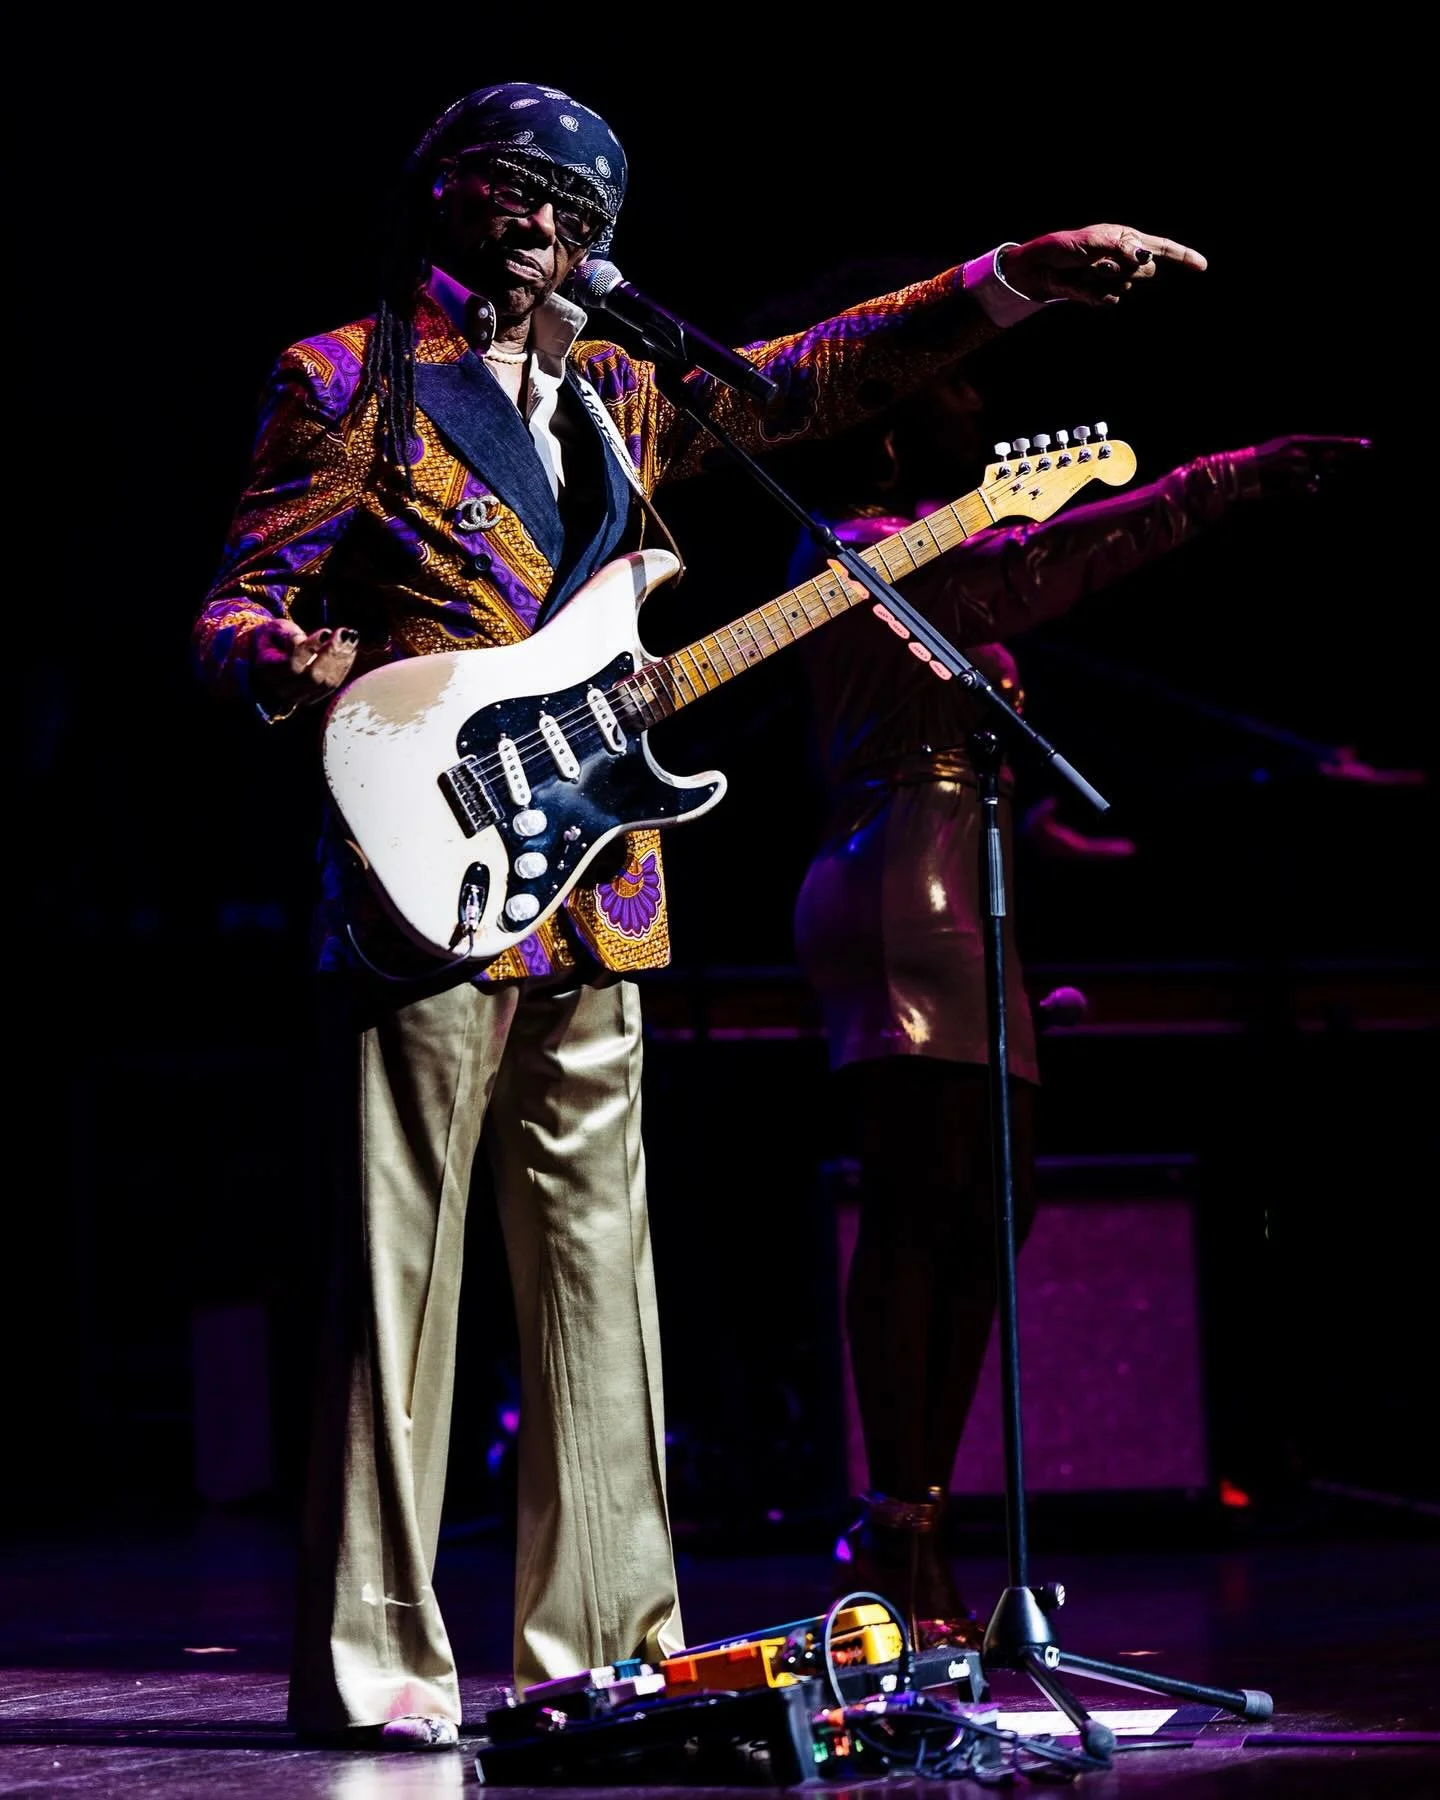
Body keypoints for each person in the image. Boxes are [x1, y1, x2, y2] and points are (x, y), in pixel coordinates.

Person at [190, 76, 1223, 1749]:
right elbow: (238, 598)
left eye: (577, 204)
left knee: (606, 1286)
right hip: (421, 870)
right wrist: (290, 663)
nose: (542, 221)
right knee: (401, 1290)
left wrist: (1013, 276)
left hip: (600, 883)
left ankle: (603, 1643)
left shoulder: (620, 387)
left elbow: (815, 377)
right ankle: (382, 1668)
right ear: (441, 196)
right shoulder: (346, 379)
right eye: (512, 187)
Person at [738, 261, 1373, 1653]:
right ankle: (894, 1527)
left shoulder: (920, 561)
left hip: (971, 883)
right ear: (900, 427)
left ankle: (922, 1511)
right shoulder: (862, 545)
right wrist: (1223, 482)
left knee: (990, 1218)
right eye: (961, 384)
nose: (982, 404)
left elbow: (975, 714)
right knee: (920, 1209)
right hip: (895, 883)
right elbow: (1030, 570)